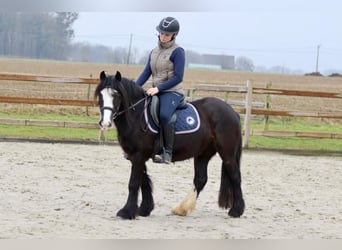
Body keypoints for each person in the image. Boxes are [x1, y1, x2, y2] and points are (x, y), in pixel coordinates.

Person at [136, 16, 185, 164]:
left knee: (164, 115)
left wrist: (158, 88)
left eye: (167, 34)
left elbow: (178, 77)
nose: (163, 37)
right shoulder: (154, 51)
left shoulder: (178, 52)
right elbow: (146, 72)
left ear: (174, 35)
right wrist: (132, 87)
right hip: (156, 90)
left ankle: (167, 152)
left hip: (173, 91)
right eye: (161, 33)